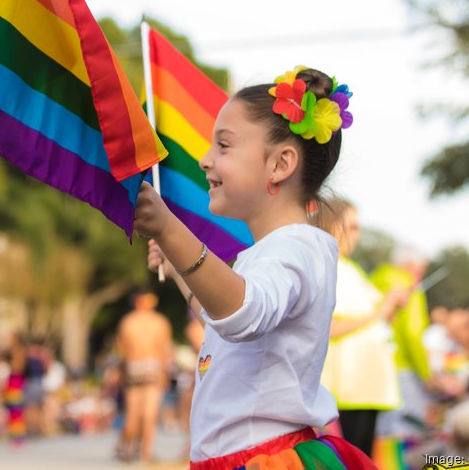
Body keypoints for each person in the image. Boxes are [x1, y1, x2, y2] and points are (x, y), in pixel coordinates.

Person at [137, 67, 376, 468]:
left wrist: (170, 228)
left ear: (281, 164)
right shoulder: (272, 251)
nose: (204, 159)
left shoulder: (299, 246)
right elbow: (226, 323)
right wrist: (179, 267)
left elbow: (241, 313)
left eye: (224, 146)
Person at [317, 198, 408, 456]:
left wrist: (389, 310)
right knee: (351, 459)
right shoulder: (327, 266)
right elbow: (328, 327)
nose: (358, 234)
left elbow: (373, 321)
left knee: (363, 458)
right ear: (331, 225)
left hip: (366, 386)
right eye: (352, 227)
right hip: (349, 386)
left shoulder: (351, 268)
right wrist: (380, 310)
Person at [371, 246, 435, 439]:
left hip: (372, 369)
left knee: (379, 438)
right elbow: (413, 333)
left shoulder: (372, 280)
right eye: (421, 269)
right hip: (403, 371)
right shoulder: (409, 285)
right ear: (409, 265)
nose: (421, 275)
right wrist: (426, 374)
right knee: (406, 435)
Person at [114, 290, 172, 463]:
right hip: (153, 368)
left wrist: (121, 373)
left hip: (133, 367)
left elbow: (122, 351)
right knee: (149, 414)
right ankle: (145, 452)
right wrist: (165, 373)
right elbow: (165, 350)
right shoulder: (160, 322)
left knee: (132, 413)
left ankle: (127, 448)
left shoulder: (127, 322)